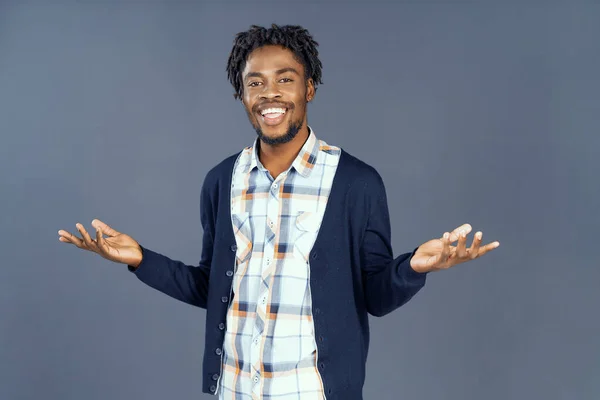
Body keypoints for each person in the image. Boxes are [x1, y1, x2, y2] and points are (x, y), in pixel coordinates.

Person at [58, 24, 499, 400]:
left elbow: (377, 297)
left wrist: (415, 266)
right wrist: (140, 259)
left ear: (308, 87)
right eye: (255, 82)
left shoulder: (356, 182)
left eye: (285, 79)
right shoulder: (221, 181)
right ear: (242, 94)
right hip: (233, 388)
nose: (270, 93)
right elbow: (210, 288)